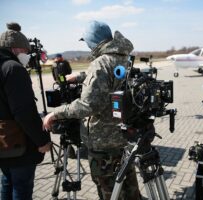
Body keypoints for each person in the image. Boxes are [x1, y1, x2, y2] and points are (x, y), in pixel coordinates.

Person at [43, 21, 140, 200]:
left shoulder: (100, 63)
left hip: (102, 143)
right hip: (123, 136)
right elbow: (111, 78)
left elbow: (87, 105)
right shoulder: (123, 57)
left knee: (108, 191)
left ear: (94, 41)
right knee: (129, 186)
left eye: (87, 42)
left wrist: (56, 113)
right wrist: (81, 77)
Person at [0, 22, 51, 199]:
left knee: (7, 182)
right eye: (26, 51)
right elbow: (24, 113)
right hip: (18, 144)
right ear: (15, 49)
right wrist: (42, 140)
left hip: (3, 142)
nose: (28, 55)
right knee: (21, 187)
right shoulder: (13, 69)